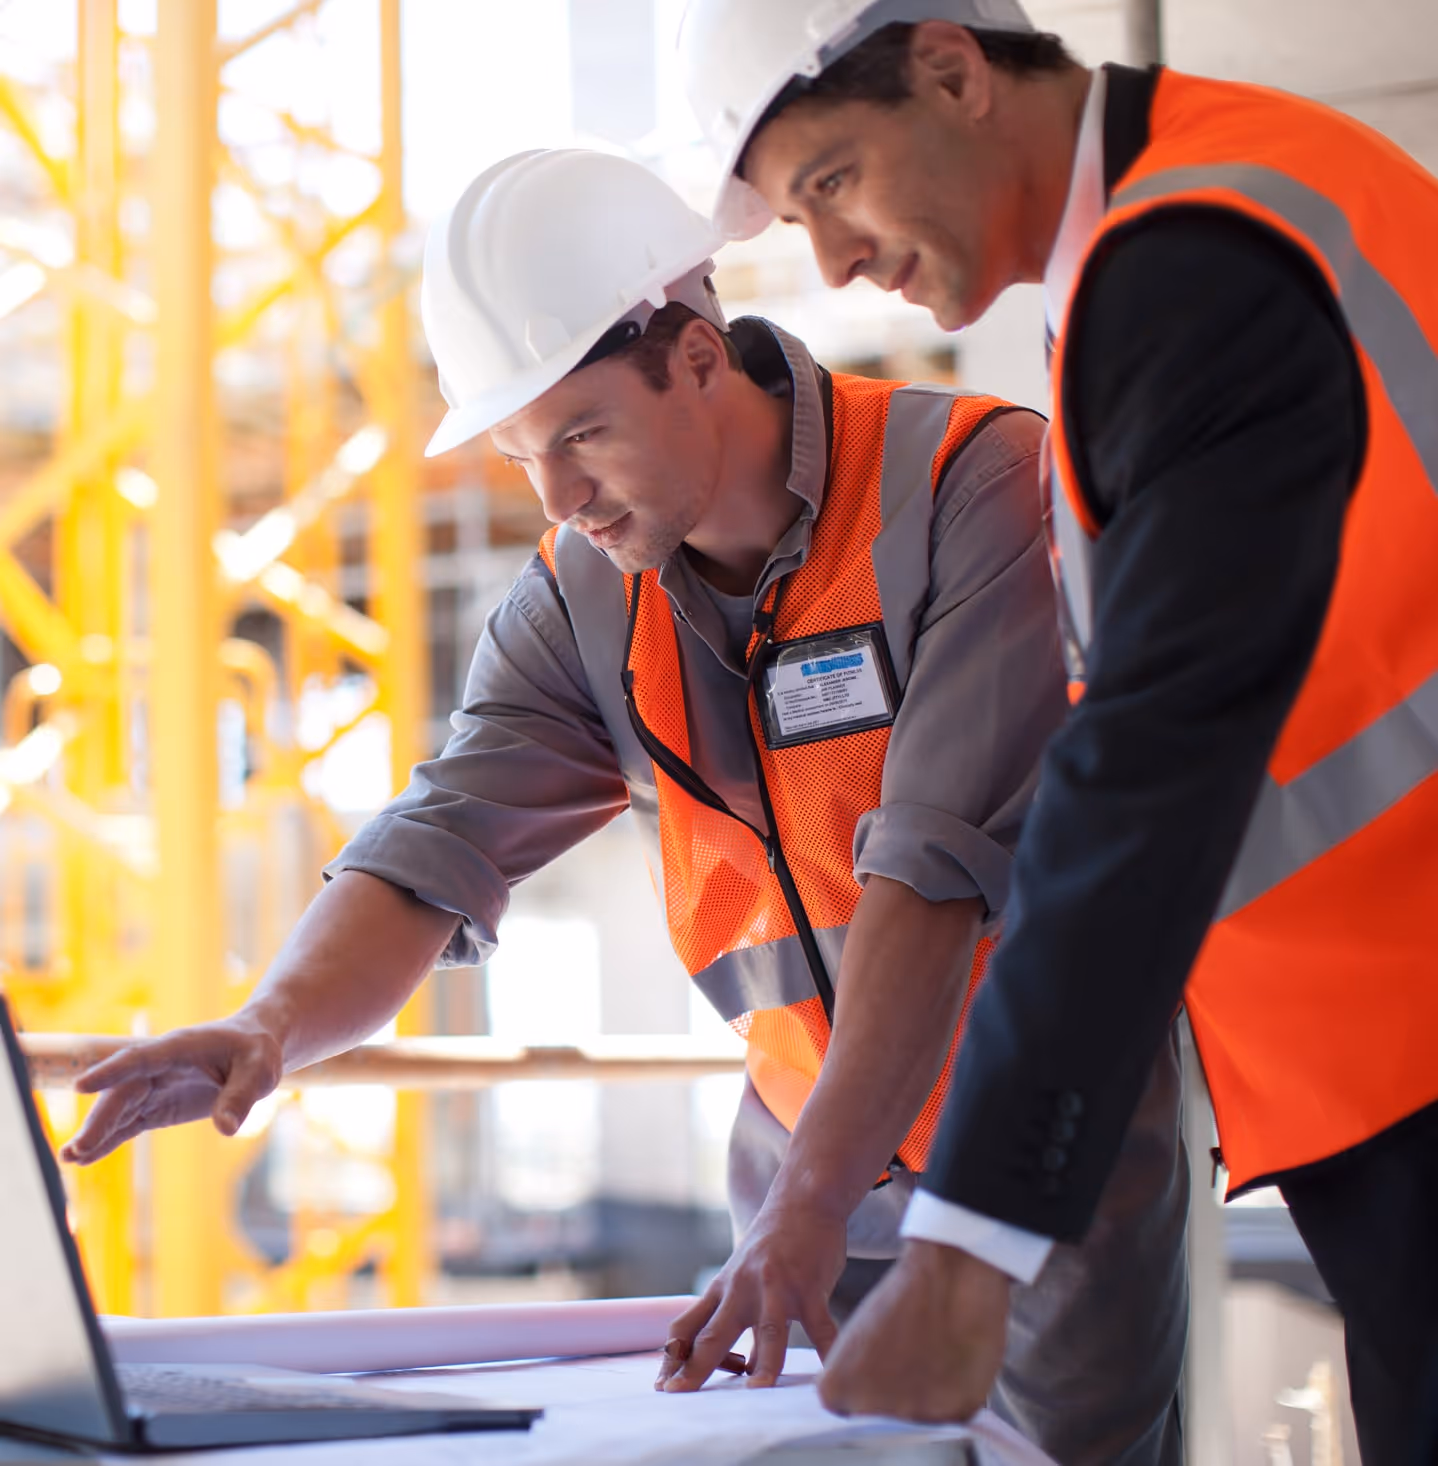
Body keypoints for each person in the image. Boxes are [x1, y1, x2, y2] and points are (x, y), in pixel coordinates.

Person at [63, 148, 1188, 1461]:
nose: (557, 496)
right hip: (799, 1173)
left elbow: (932, 880)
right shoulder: (583, 595)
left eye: (582, 431)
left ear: (699, 356)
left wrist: (805, 1211)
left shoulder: (965, 487)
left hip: (1028, 1167)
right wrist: (272, 1024)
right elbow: (442, 838)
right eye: (521, 451)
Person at [679, 0, 1438, 1457]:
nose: (828, 262)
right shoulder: (1197, 218)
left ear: (952, 72)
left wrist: (968, 1242)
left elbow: (1148, 760)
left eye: (831, 181)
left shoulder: (1192, 261)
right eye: (796, 217)